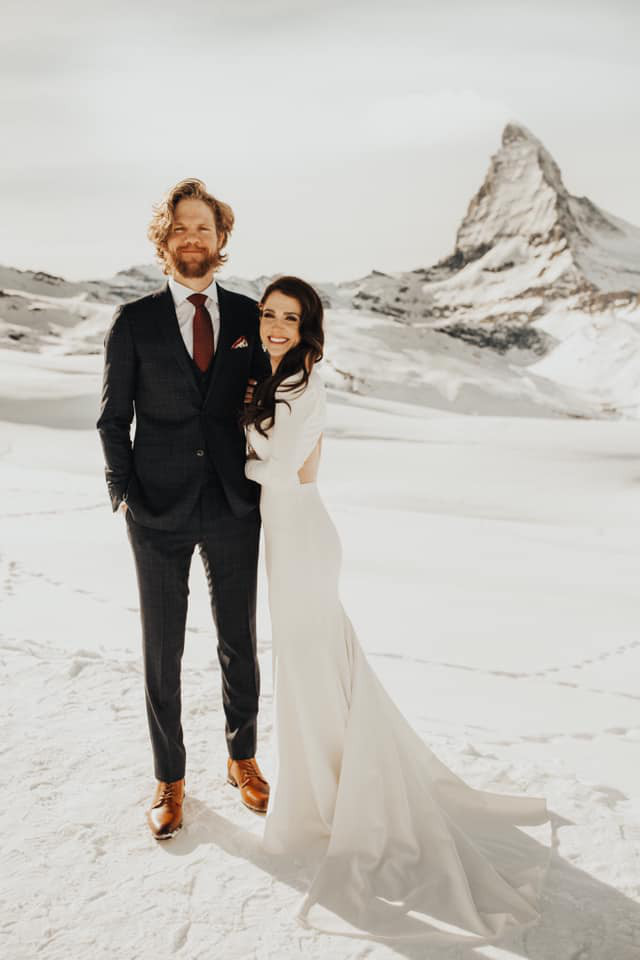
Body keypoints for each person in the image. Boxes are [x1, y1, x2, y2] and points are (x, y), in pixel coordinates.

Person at [241, 275, 553, 943]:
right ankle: (323, 792)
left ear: (306, 328)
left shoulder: (301, 384)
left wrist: (229, 453)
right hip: (287, 537)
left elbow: (279, 468)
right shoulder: (273, 381)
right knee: (310, 674)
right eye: (268, 314)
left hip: (301, 540)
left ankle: (330, 805)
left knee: (311, 669)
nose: (274, 326)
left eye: (287, 318)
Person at [96, 179, 272, 840]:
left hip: (234, 505)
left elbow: (269, 398)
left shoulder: (252, 316)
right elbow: (113, 418)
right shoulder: (133, 321)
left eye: (202, 227)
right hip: (156, 510)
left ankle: (243, 759)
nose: (191, 238)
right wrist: (126, 494)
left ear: (220, 239)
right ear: (164, 243)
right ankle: (169, 778)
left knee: (239, 643)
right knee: (161, 649)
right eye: (179, 230)